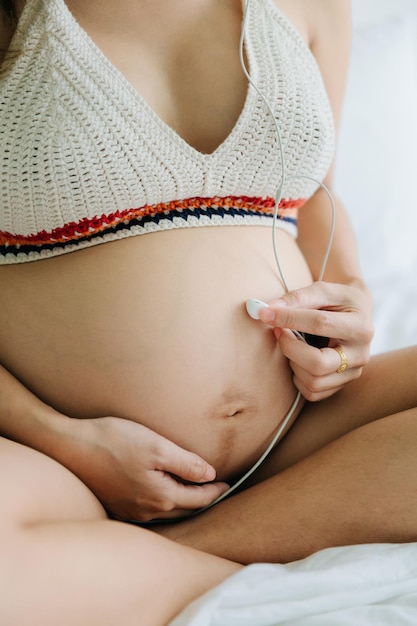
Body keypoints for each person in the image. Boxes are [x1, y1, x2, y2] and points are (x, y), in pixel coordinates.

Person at [1, 0, 417, 623]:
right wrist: (66, 438)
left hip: (296, 433)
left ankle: (169, 553)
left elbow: (318, 201)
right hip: (62, 454)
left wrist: (349, 302)